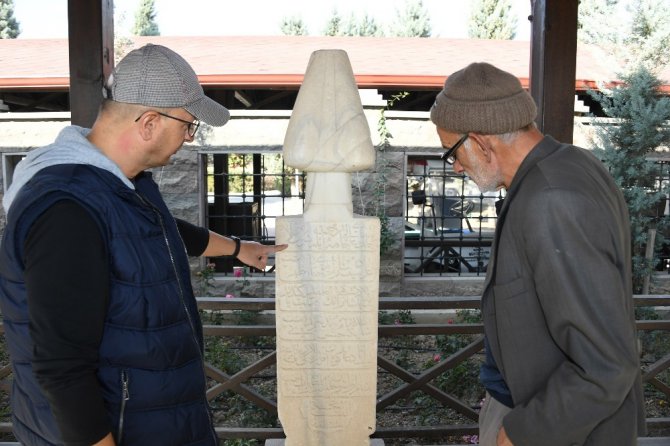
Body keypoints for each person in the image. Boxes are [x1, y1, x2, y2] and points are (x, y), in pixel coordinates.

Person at [0, 44, 287, 446]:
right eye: (189, 125)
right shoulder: (65, 210)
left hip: (156, 419)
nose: (189, 138)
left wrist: (239, 249)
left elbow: (162, 231)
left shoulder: (121, 185)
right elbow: (61, 368)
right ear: (150, 122)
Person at [430, 62, 645, 446]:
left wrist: (521, 432)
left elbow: (607, 363)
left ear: (480, 142)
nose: (457, 167)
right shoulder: (570, 164)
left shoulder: (551, 198)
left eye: (452, 153)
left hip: (553, 426)